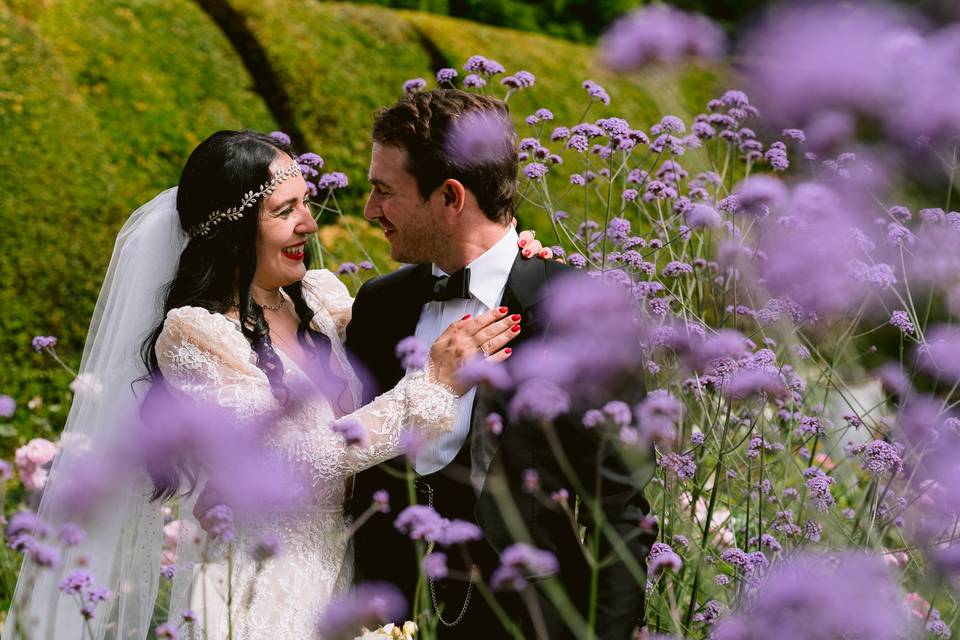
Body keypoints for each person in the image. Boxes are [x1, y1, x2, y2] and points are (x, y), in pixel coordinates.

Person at [4, 130, 522, 639]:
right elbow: (300, 455)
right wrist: (433, 385)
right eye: (284, 211)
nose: (309, 226)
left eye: (306, 205)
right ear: (233, 229)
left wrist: (504, 260)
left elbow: (398, 334)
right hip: (263, 593)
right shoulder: (195, 334)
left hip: (354, 589)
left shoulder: (321, 298)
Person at [347, 89, 655, 640]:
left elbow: (620, 511)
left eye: (383, 191)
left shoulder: (583, 314)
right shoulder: (378, 304)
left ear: (450, 196)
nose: (369, 210)